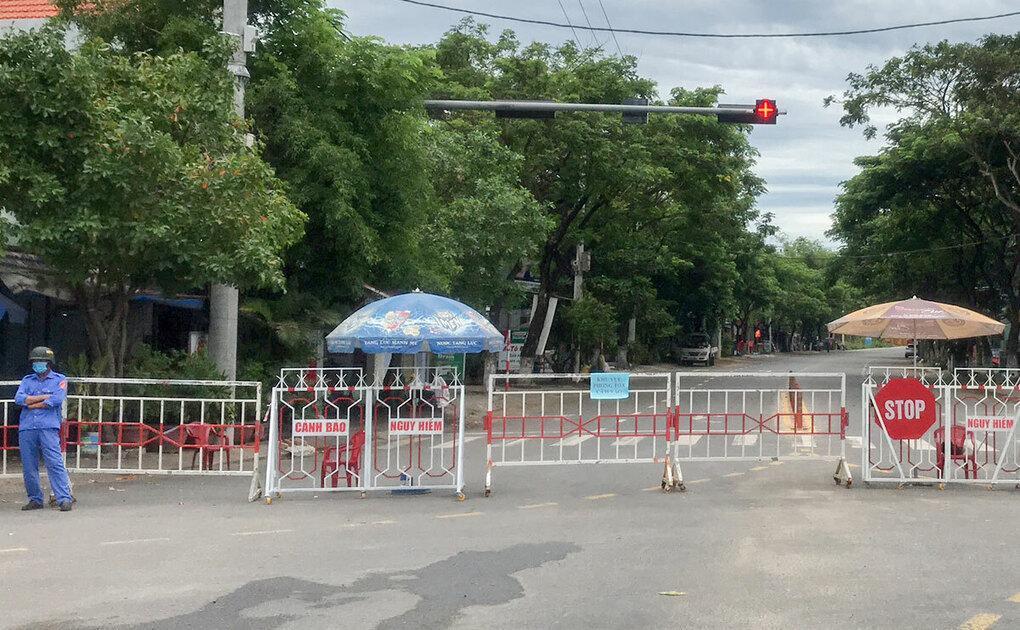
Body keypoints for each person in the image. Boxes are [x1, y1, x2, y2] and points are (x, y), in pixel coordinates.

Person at [15, 347, 73, 512]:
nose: (37, 364)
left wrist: (31, 403)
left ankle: (64, 498)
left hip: (48, 426)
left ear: (49, 363)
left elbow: (56, 400)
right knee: (29, 465)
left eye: (41, 361)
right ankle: (35, 499)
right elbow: (19, 399)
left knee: (54, 462)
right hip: (27, 427)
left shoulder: (59, 379)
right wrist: (43, 397)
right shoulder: (27, 380)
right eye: (35, 361)